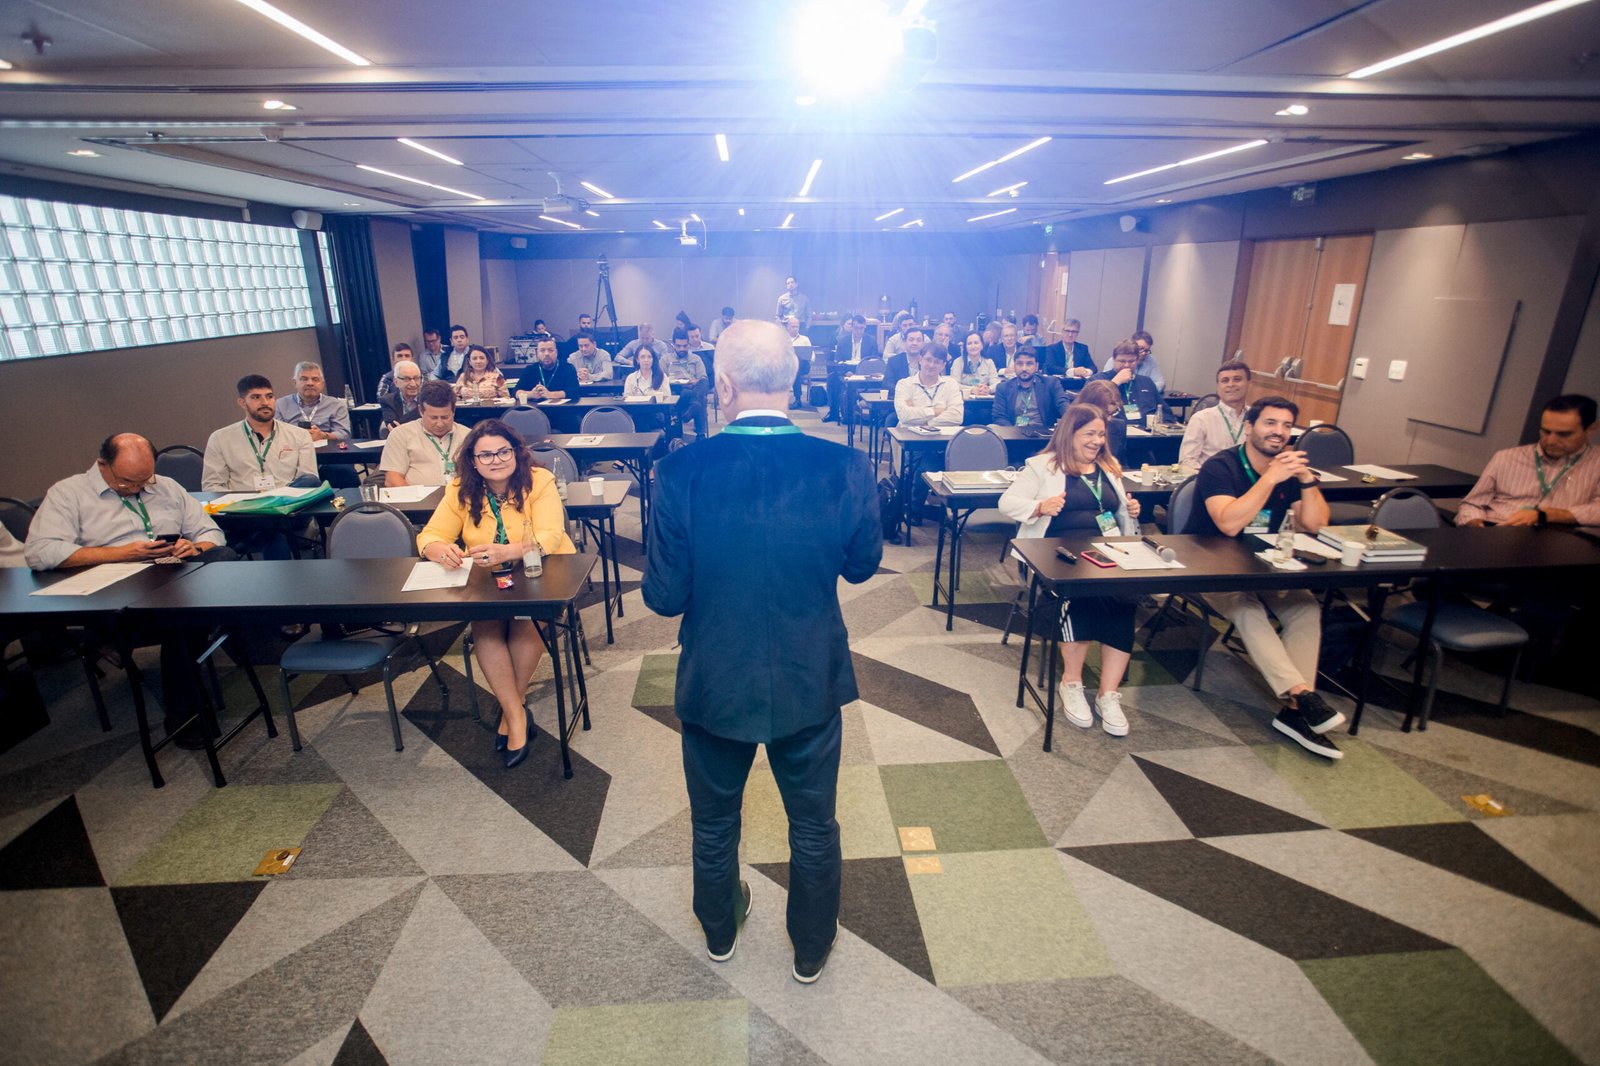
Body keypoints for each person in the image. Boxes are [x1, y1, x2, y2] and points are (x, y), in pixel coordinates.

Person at [642, 319, 882, 984]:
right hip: (810, 674)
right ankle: (811, 945)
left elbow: (664, 597)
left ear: (722, 385)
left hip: (715, 677)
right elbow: (863, 565)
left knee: (714, 821)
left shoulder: (679, 471)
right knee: (814, 823)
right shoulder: (844, 465)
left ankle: (720, 929)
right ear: (795, 381)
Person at [26, 433, 232, 748]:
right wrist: (120, 553)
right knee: (185, 620)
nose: (137, 489)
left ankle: (181, 677)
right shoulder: (69, 493)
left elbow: (211, 532)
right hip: (115, 592)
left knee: (221, 560)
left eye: (144, 481)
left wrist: (196, 546)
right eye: (127, 483)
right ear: (102, 465)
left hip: (171, 580)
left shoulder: (166, 486)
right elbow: (40, 553)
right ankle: (186, 711)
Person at [1184, 395, 1342, 759]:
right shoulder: (1220, 467)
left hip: (1266, 566)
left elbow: (1316, 524)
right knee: (1246, 608)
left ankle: (1296, 711)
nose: (1279, 432)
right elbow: (1228, 523)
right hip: (1211, 568)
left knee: (1305, 607)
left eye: (1286, 426)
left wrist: (1305, 479)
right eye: (1270, 423)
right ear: (1250, 427)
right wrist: (1270, 478)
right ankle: (1301, 695)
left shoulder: (1289, 471)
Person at [417, 420, 575, 768]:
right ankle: (516, 712)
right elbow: (430, 534)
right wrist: (438, 549)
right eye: (485, 455)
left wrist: (509, 550)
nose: (496, 460)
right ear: (473, 461)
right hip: (489, 580)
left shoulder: (539, 481)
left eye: (503, 451)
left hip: (542, 571)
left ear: (516, 452)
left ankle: (511, 713)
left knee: (524, 625)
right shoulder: (459, 489)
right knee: (485, 628)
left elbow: (550, 536)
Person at [999, 404, 1141, 736]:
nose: (1097, 441)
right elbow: (1006, 503)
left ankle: (1108, 694)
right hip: (1055, 554)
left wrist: (1131, 510)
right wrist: (1039, 506)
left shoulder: (1109, 467)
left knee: (1125, 598)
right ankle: (1072, 682)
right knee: (1080, 596)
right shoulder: (1042, 466)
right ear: (1070, 434)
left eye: (1101, 434)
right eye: (1089, 434)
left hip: (1107, 552)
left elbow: (1118, 516)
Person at [1457, 394, 1600, 527]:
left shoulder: (1596, 462)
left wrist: (1548, 515)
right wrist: (1475, 524)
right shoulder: (1507, 457)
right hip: (1497, 527)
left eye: (1564, 434)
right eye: (1546, 431)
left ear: (1591, 429)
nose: (1551, 440)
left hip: (1557, 536)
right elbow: (1472, 504)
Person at [203, 374, 318, 493]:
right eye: (256, 397)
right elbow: (212, 486)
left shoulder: (300, 436)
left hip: (287, 502)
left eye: (269, 396)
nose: (265, 402)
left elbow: (308, 482)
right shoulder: (220, 438)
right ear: (242, 403)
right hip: (242, 503)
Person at [380, 382, 471, 487]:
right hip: (417, 496)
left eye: (445, 417)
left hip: (460, 495)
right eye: (433, 418)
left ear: (453, 411)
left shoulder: (468, 436)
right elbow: (392, 479)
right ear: (421, 411)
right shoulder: (401, 435)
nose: (440, 424)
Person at [1181, 360, 1253, 470]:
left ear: (1249, 384)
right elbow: (1186, 461)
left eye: (1237, 379)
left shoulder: (1257, 417)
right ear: (1218, 387)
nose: (1231, 384)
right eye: (1225, 381)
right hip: (1210, 477)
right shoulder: (1201, 419)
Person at [991, 347, 1067, 430]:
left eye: (1029, 364)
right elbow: (999, 416)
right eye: (1020, 364)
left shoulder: (1050, 383)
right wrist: (1013, 431)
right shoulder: (1003, 387)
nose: (1024, 368)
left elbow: (1063, 405)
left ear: (1036, 366)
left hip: (1043, 433)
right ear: (1014, 366)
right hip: (1014, 432)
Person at [274, 361, 351, 442]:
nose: (310, 383)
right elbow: (276, 434)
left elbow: (344, 434)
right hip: (293, 447)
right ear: (295, 383)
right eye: (304, 379)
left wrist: (323, 435)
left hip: (327, 448)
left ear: (322, 384)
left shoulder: (336, 405)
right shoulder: (280, 405)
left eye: (315, 379)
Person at [1090, 341, 1165, 421]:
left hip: (1145, 427)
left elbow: (1165, 412)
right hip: (1113, 426)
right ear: (1113, 360)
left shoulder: (1146, 382)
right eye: (1122, 361)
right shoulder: (1097, 380)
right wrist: (1114, 383)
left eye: (1131, 361)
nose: (1126, 365)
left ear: (1137, 361)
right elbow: (1088, 409)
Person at [825, 314, 879, 423]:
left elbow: (874, 361)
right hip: (847, 370)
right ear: (852, 327)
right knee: (832, 378)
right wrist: (846, 372)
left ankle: (874, 416)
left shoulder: (871, 340)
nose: (859, 331)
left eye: (861, 328)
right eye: (856, 328)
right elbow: (838, 360)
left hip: (864, 371)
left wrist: (862, 372)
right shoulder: (843, 340)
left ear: (865, 327)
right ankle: (833, 412)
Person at [661, 328, 711, 437]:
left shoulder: (696, 359)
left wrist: (694, 382)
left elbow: (702, 377)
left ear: (688, 345)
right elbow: (660, 380)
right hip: (675, 393)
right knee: (700, 400)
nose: (682, 349)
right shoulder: (665, 359)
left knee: (704, 382)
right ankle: (700, 435)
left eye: (685, 346)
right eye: (678, 346)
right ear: (673, 345)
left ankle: (695, 406)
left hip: (693, 390)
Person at [1075, 379, 1130, 461]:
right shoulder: (1071, 426)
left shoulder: (1118, 426)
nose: (1109, 419)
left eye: (1113, 413)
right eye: (1104, 413)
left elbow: (1121, 463)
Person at [514, 338, 579, 403]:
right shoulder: (530, 370)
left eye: (550, 350)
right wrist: (531, 394)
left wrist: (550, 394)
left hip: (562, 408)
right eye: (542, 350)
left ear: (556, 352)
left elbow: (574, 391)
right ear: (537, 353)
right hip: (535, 408)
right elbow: (516, 392)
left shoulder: (568, 368)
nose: (546, 354)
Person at [1100, 329, 1166, 393]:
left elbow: (1160, 383)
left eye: (1146, 350)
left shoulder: (1150, 360)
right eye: (1141, 349)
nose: (1143, 353)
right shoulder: (1115, 360)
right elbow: (1104, 386)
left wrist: (1143, 391)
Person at [381, 359, 426, 429]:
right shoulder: (387, 400)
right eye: (407, 379)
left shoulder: (428, 399)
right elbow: (393, 427)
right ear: (396, 382)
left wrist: (402, 427)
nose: (413, 384)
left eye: (416, 378)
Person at [785, 315, 814, 408]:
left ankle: (797, 400)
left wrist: (809, 359)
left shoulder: (805, 339)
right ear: (787, 327)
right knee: (794, 368)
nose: (795, 329)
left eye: (797, 327)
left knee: (796, 366)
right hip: (787, 366)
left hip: (803, 366)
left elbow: (812, 355)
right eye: (793, 327)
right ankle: (797, 399)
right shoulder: (783, 339)